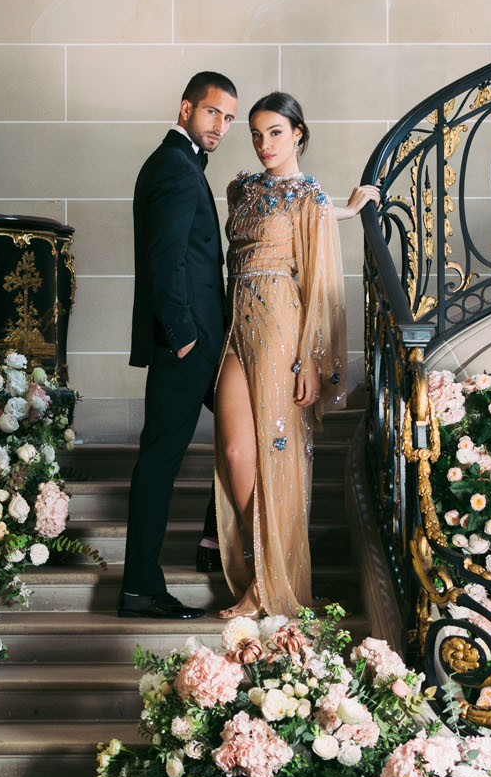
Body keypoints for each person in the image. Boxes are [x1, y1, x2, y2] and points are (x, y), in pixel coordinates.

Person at [215, 93, 376, 619]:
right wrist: (342, 209)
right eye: (257, 134)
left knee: (278, 457)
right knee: (237, 455)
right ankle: (259, 562)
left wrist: (309, 358)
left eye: (276, 133)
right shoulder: (241, 188)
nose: (265, 144)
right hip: (237, 328)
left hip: (283, 329)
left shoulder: (309, 195)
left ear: (299, 133)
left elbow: (320, 282)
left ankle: (266, 588)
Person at [120, 72, 239, 619]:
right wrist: (186, 337)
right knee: (160, 460)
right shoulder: (173, 165)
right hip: (186, 346)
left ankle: (216, 542)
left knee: (248, 435)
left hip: (203, 344)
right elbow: (164, 260)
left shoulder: (183, 163)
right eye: (213, 112)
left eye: (229, 118)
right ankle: (141, 587)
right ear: (187, 107)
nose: (221, 126)